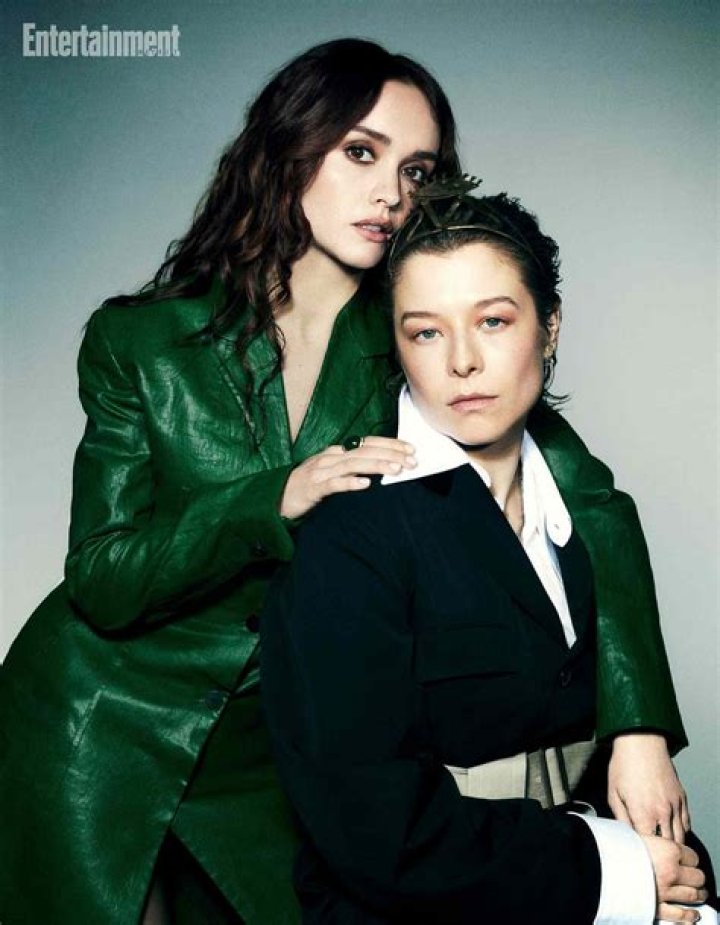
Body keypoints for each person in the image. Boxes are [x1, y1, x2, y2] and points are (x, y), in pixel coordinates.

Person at [0, 39, 686, 925]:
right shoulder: (139, 341)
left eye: (417, 169)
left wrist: (637, 728)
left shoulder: (419, 335)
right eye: (361, 152)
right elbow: (101, 574)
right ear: (289, 148)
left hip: (273, 751)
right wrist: (271, 499)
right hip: (97, 723)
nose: (390, 192)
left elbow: (593, 504)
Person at [260, 181, 714, 925]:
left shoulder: (585, 513)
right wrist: (619, 876)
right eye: (426, 333)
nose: (462, 361)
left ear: (550, 327)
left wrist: (669, 867)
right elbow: (374, 829)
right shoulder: (348, 538)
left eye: (493, 321)